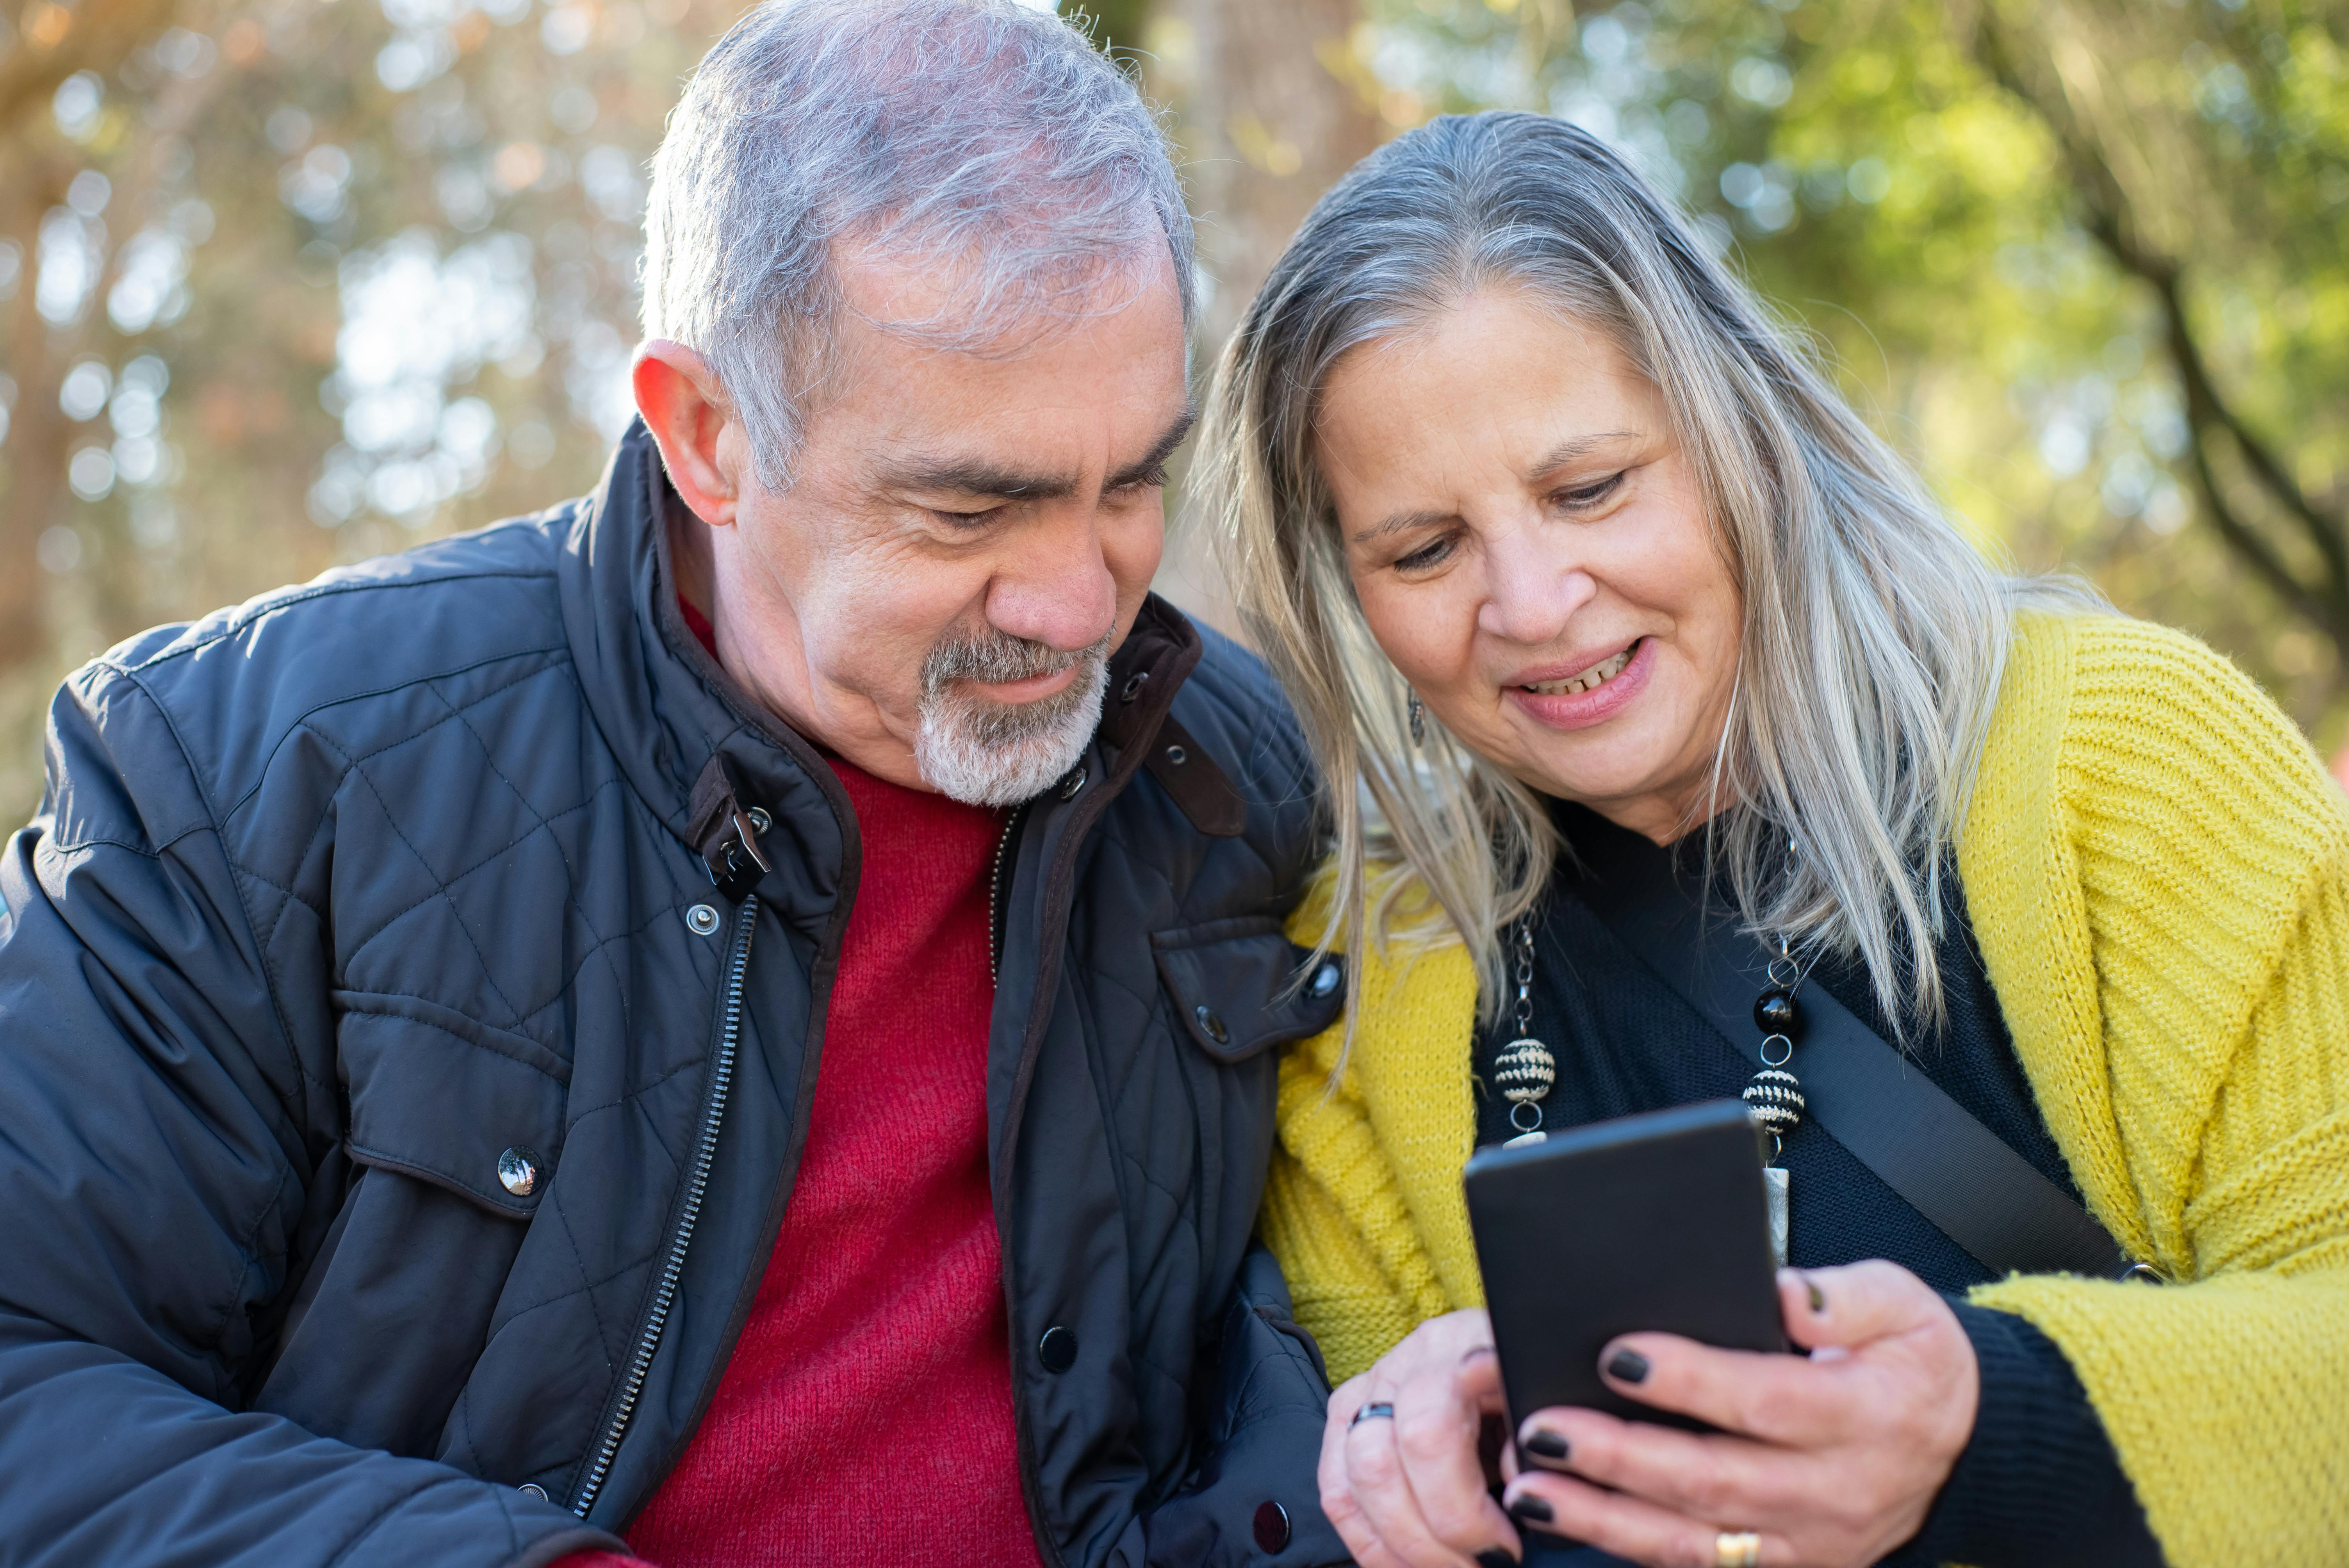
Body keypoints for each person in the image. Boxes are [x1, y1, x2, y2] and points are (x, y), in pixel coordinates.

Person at [0, 4, 1350, 1564]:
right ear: (705, 432)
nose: (1078, 601)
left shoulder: (1234, 775)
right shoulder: (247, 773)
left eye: (1130, 484)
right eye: (971, 506)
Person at [1204, 111, 2349, 1568]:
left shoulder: (2124, 763)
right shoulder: (1362, 988)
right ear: (1345, 594)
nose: (1535, 601)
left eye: (1590, 488)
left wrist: (1984, 1421)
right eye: (1425, 549)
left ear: (1746, 432)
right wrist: (1405, 1462)